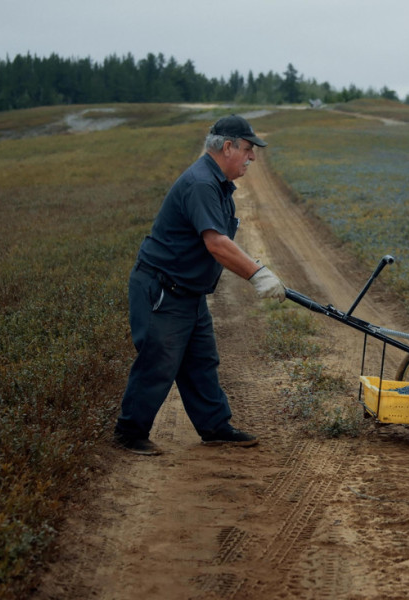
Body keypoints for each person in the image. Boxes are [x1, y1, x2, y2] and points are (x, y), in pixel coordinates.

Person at [113, 114, 286, 456]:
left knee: (201, 362)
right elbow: (217, 244)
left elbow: (220, 241)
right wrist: (258, 274)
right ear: (227, 147)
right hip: (162, 290)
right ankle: (129, 432)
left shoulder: (217, 184)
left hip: (187, 292)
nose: (252, 158)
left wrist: (255, 269)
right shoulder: (202, 184)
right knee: (158, 362)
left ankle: (214, 427)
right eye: (248, 150)